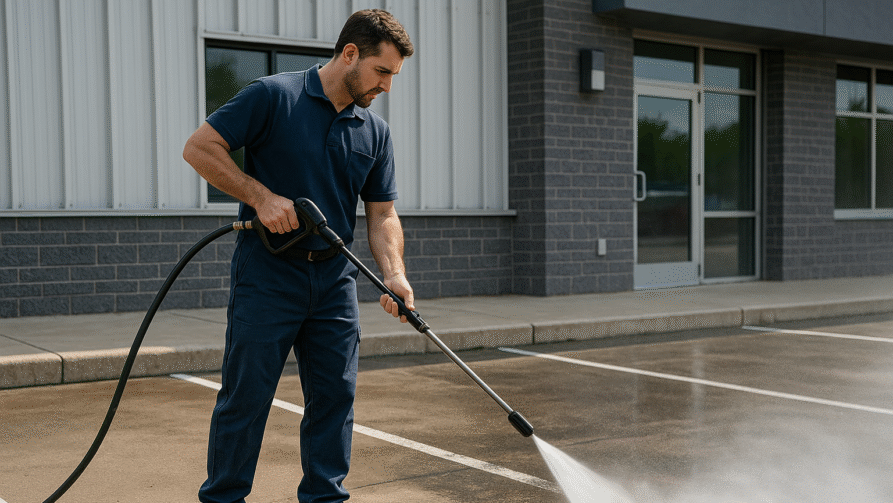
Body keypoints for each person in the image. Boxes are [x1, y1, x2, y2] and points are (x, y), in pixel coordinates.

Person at [182, 9, 415, 503]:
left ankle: (324, 497)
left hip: (334, 282)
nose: (387, 87)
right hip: (268, 276)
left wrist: (394, 275)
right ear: (350, 54)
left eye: (393, 76)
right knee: (246, 398)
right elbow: (200, 148)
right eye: (382, 72)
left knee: (335, 398)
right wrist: (262, 197)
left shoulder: (373, 133)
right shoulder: (274, 96)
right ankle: (224, 498)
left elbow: (382, 215)